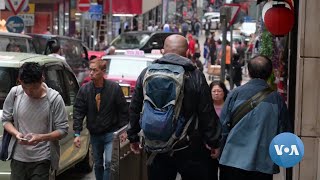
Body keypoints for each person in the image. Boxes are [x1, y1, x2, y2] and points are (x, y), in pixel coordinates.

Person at [127, 34, 221, 180]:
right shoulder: (196, 76)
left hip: (156, 146)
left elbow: (135, 107)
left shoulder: (147, 73)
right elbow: (206, 112)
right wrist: (213, 141)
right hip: (189, 146)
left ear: (163, 51)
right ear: (187, 52)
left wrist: (133, 136)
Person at [219, 55, 292, 180]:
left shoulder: (235, 94)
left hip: (232, 160)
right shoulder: (277, 99)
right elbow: (284, 133)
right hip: (263, 164)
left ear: (249, 71)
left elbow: (223, 125)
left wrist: (219, 150)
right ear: (270, 73)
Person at [1, 62, 69, 180]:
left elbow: (63, 130)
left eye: (33, 88)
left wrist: (40, 137)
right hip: (18, 158)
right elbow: (6, 120)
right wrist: (16, 133)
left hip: (42, 159)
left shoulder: (54, 99)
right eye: (24, 87)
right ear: (19, 81)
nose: (28, 92)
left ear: (42, 79)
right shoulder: (15, 93)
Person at [73, 58, 129, 180]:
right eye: (90, 70)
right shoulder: (85, 89)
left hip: (111, 132)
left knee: (109, 162)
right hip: (94, 133)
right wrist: (77, 133)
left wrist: (124, 130)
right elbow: (78, 111)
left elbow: (123, 110)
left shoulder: (114, 88)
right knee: (98, 164)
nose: (91, 73)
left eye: (95, 70)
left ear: (103, 71)